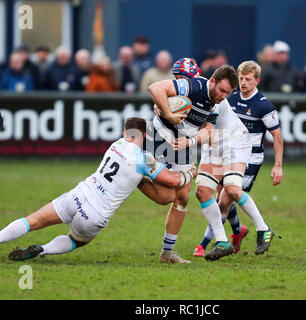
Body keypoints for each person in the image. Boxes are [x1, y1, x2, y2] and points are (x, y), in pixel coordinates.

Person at [0, 117, 197, 262]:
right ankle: (42, 249)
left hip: (79, 194)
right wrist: (190, 173)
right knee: (76, 241)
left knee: (32, 220)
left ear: (124, 133)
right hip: (95, 214)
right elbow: (171, 180)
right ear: (143, 136)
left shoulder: (115, 145)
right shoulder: (143, 159)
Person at [189, 60, 283, 258]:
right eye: (241, 79)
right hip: (216, 148)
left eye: (247, 79)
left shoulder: (261, 104)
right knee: (204, 192)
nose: (243, 83)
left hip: (240, 148)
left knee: (229, 194)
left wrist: (278, 165)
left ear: (257, 81)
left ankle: (260, 228)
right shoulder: (205, 94)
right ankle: (230, 236)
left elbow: (209, 129)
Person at [146, 62, 239, 264]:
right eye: (222, 90)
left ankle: (167, 253)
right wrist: (168, 112)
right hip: (161, 137)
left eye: (228, 92)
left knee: (182, 198)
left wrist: (190, 141)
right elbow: (154, 88)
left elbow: (209, 130)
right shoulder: (195, 86)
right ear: (212, 81)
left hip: (184, 143)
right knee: (165, 196)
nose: (224, 95)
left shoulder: (218, 101)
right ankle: (133, 174)